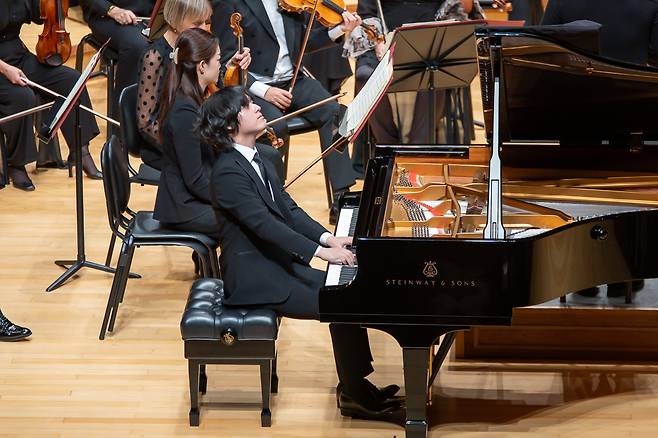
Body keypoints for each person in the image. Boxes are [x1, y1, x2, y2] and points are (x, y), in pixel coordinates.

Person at [199, 85, 403, 420]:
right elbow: (265, 224)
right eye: (248, 106)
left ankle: (355, 387)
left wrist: (328, 239)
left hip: (274, 263)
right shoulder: (227, 173)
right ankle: (355, 393)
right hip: (254, 277)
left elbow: (288, 211)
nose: (258, 108)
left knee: (345, 294)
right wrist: (320, 254)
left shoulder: (256, 156)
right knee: (344, 299)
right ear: (229, 125)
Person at [212, 0, 363, 223]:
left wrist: (341, 29)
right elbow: (225, 63)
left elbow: (305, 44)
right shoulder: (230, 4)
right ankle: (274, 198)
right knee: (274, 127)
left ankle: (341, 196)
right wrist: (265, 91)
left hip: (294, 81)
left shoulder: (291, 3)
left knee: (335, 112)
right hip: (254, 86)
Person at [153, 28, 278, 241]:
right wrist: (236, 197)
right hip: (184, 204)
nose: (220, 65)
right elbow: (195, 179)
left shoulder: (200, 92)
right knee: (253, 220)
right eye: (218, 59)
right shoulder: (184, 112)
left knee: (268, 157)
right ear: (202, 66)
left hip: (203, 186)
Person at [345, 0, 484, 147]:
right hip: (384, 37)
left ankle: (416, 148)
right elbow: (366, 14)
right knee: (364, 76)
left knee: (435, 73)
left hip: (431, 36)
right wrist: (378, 40)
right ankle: (388, 146)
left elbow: (463, 7)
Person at [0, 0, 102, 191]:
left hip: (18, 56)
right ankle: (16, 164)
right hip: (2, 67)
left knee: (71, 80)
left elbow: (38, 15)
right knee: (23, 97)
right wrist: (6, 70)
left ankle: (80, 151)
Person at [80, 0, 155, 117]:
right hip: (106, 16)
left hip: (149, 16)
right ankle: (123, 122)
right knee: (137, 46)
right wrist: (111, 10)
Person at [540, 0, 658, 66]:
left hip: (572, 91)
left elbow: (542, 48)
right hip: (633, 91)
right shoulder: (652, 3)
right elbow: (656, 55)